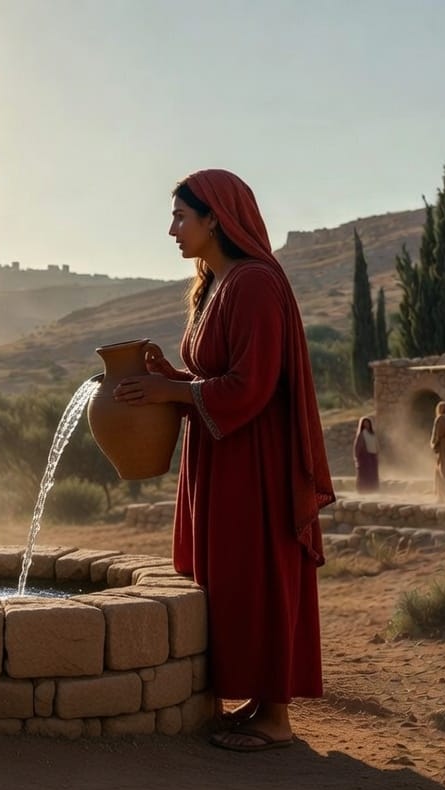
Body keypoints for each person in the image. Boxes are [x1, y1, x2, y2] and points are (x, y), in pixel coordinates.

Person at [113, 169, 335, 752]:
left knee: (256, 574)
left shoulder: (255, 283)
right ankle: (258, 701)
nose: (172, 230)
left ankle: (276, 718)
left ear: (215, 218)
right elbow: (216, 376)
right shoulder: (216, 284)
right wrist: (172, 379)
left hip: (254, 463)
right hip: (222, 454)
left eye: (180, 217)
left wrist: (172, 392)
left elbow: (250, 385)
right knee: (231, 577)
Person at [353, 417, 380, 493]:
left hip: (373, 455)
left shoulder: (373, 434)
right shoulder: (362, 434)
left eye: (367, 423)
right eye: (365, 423)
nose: (366, 425)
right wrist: (357, 457)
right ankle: (364, 489)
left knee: (373, 473)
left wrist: (377, 453)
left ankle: (373, 489)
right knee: (365, 473)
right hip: (365, 456)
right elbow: (357, 447)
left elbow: (376, 444)